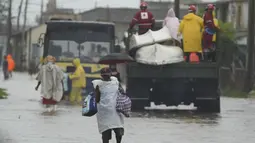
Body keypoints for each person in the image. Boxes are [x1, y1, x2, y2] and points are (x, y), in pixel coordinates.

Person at [93, 67, 124, 143]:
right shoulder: (115, 82)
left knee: (106, 133)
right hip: (114, 112)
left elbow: (97, 99)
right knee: (118, 130)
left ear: (101, 76)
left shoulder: (98, 84)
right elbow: (122, 92)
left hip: (105, 113)